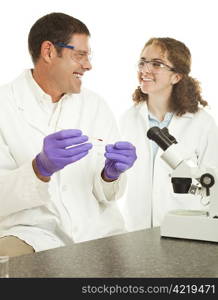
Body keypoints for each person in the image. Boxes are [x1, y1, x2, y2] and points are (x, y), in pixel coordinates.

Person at [0, 12, 137, 257]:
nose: (88, 65)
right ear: (49, 52)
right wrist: (38, 169)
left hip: (98, 232)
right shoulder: (4, 105)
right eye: (80, 55)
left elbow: (110, 195)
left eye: (88, 56)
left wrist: (110, 175)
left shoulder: (96, 105)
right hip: (32, 234)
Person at [120, 37, 218, 232]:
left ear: (176, 76)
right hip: (136, 231)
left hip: (186, 230)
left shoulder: (202, 122)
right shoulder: (127, 119)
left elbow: (213, 182)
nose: (144, 70)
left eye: (156, 64)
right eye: (142, 62)